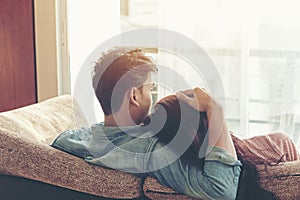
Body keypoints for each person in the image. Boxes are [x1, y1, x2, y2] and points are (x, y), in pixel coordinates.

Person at [51, 47, 242, 199]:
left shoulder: (72, 140)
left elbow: (57, 141)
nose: (152, 98)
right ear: (134, 96)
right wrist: (215, 110)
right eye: (150, 90)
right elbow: (221, 191)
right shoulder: (149, 151)